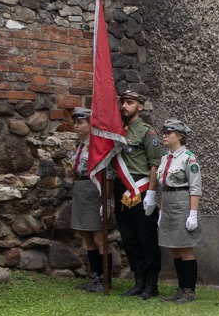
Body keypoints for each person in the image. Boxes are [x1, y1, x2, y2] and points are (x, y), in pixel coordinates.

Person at [112, 86, 162, 299]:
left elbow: (154, 165)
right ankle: (138, 281)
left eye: (130, 102)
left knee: (146, 238)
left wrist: (151, 193)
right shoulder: (116, 130)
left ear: (140, 106)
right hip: (121, 189)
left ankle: (151, 284)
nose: (125, 106)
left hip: (141, 189)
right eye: (123, 102)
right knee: (129, 237)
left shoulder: (148, 132)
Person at [154, 119, 203, 303]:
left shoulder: (189, 158)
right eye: (164, 131)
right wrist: (161, 210)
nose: (165, 134)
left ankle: (189, 290)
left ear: (180, 135)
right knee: (174, 249)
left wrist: (192, 214)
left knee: (185, 248)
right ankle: (180, 288)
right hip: (168, 202)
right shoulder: (165, 158)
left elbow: (195, 188)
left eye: (169, 132)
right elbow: (164, 186)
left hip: (182, 202)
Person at [67, 106, 111, 294]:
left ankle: (105, 278)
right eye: (75, 123)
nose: (76, 126)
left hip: (94, 191)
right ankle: (94, 275)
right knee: (87, 236)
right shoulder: (81, 144)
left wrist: (106, 200)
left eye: (80, 123)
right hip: (81, 190)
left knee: (99, 238)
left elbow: (107, 174)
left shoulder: (97, 146)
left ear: (90, 124)